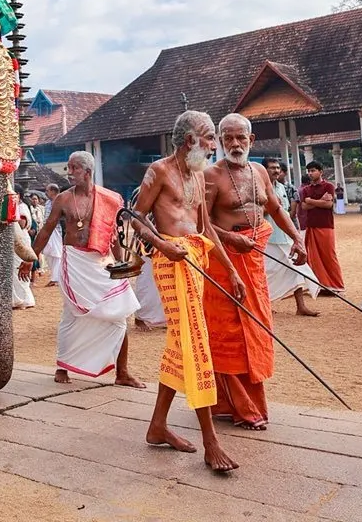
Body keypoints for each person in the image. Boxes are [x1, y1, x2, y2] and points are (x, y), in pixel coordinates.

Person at [133, 110, 241, 473]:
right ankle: (211, 441)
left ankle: (157, 426)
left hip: (195, 259)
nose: (213, 145)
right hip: (171, 263)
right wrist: (162, 245)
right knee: (195, 343)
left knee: (181, 343)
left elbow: (206, 229)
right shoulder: (159, 171)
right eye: (209, 137)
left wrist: (231, 271)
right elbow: (135, 217)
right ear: (190, 139)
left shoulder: (197, 175)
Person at [203, 114, 307, 431]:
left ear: (251, 139)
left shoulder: (259, 171)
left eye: (240, 138)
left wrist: (297, 237)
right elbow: (200, 223)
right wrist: (230, 238)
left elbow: (274, 208)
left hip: (254, 259)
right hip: (224, 263)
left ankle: (236, 404)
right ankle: (238, 406)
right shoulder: (210, 176)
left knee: (256, 328)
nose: (235, 144)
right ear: (220, 141)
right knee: (230, 335)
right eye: (228, 138)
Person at [32, 151, 142, 387]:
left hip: (102, 261)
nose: (69, 173)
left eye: (74, 168)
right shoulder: (63, 199)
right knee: (72, 315)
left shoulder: (110, 199)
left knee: (119, 315)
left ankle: (122, 372)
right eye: (69, 168)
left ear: (88, 172)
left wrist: (120, 266)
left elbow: (114, 236)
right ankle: (62, 366)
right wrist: (30, 259)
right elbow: (46, 230)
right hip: (75, 262)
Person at [262, 158, 321, 315]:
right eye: (272, 168)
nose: (276, 171)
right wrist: (272, 207)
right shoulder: (258, 188)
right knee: (267, 273)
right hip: (268, 238)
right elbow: (255, 212)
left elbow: (287, 213)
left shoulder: (282, 187)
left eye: (277, 168)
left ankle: (301, 307)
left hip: (285, 236)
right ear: (264, 170)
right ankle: (264, 305)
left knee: (297, 269)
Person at [298, 161, 345, 295]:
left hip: (325, 225)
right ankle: (322, 286)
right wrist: (320, 201)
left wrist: (310, 201)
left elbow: (328, 205)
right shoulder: (306, 189)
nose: (310, 173)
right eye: (309, 171)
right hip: (311, 226)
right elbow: (304, 206)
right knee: (313, 258)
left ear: (321, 172)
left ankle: (337, 286)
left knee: (329, 255)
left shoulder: (328, 186)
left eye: (313, 170)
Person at [11, 196, 36, 310]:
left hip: (20, 239)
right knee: (14, 269)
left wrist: (12, 216)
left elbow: (21, 224)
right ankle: (17, 298)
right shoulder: (18, 206)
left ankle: (23, 299)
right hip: (16, 239)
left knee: (19, 267)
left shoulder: (21, 207)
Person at [42, 183, 63, 287]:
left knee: (57, 254)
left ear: (53, 191)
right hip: (47, 230)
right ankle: (55, 276)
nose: (46, 193)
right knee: (48, 253)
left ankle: (56, 278)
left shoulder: (60, 201)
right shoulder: (47, 203)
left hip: (56, 230)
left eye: (48, 191)